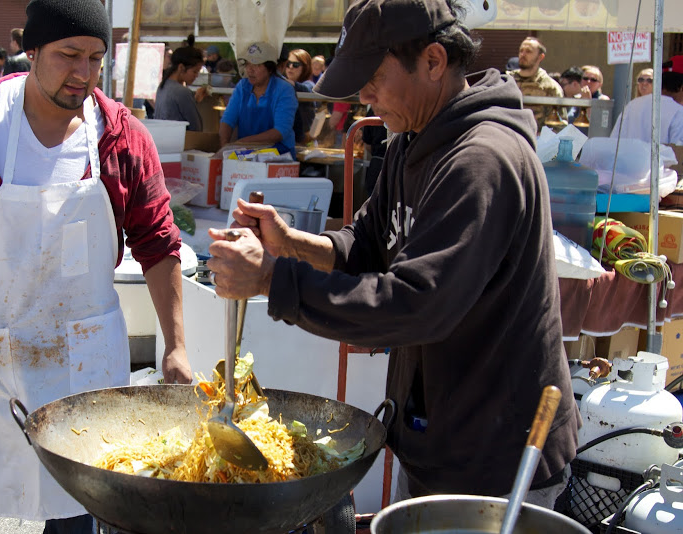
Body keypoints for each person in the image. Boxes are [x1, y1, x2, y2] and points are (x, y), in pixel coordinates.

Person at [208, 0, 579, 506]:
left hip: (499, 454)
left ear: (432, 61)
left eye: (374, 77)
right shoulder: (411, 138)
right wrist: (291, 243)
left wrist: (273, 280)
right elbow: (365, 247)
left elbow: (414, 305)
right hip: (438, 435)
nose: (364, 95)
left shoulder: (481, 160)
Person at [0, 0, 192, 531]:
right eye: (68, 55)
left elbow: (157, 241)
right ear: (30, 51)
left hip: (81, 360)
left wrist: (175, 345)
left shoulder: (122, 137)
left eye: (95, 57)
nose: (83, 73)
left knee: (75, 511)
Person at [219, 41, 298, 155]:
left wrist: (241, 143)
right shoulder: (242, 87)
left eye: (257, 65)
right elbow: (227, 120)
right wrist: (224, 147)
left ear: (270, 68)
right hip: (245, 155)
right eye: (247, 64)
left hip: (279, 155)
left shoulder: (284, 90)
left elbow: (281, 131)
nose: (250, 70)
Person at [611, 56, 683, 145]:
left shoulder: (632, 106)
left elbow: (614, 142)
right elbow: (678, 152)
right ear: (681, 87)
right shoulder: (679, 112)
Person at [507, 36, 563, 130]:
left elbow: (559, 124)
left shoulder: (550, 87)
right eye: (521, 50)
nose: (523, 54)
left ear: (540, 57)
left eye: (528, 51)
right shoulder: (507, 80)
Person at [154, 39, 207, 131]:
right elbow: (196, 128)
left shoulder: (162, 86)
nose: (196, 76)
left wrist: (195, 100)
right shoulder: (182, 92)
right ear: (181, 67)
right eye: (194, 71)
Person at [284, 48, 316, 144]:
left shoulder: (309, 85)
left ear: (305, 67)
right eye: (287, 63)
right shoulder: (285, 86)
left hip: (305, 141)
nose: (290, 67)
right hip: (290, 138)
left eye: (296, 64)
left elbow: (306, 90)